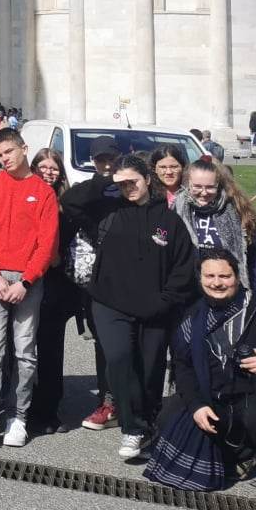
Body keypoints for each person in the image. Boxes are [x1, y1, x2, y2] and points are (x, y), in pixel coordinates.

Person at [153, 248, 256, 509]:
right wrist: (197, 405)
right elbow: (182, 366)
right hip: (216, 396)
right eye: (210, 276)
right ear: (200, 279)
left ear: (238, 277)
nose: (217, 282)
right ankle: (237, 454)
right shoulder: (193, 315)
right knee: (170, 415)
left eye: (225, 276)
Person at [62, 154, 197, 461]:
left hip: (154, 309)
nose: (128, 189)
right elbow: (71, 202)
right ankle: (132, 427)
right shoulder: (108, 213)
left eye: (133, 182)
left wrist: (165, 302)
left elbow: (182, 267)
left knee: (149, 370)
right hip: (110, 303)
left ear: (148, 179)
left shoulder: (169, 220)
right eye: (122, 185)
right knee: (120, 360)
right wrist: (107, 180)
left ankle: (149, 422)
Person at [0, 129, 60, 454]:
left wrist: (26, 281)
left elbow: (46, 243)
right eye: (0, 154)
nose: (5, 158)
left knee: (24, 352)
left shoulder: (43, 191)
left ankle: (18, 416)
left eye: (10, 151)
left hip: (27, 279)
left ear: (24, 149)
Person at [26, 147, 78, 434]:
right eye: (43, 167)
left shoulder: (66, 203)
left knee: (49, 349)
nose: (48, 172)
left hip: (55, 283)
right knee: (21, 347)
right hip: (27, 277)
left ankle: (48, 408)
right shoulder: (25, 195)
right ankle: (20, 403)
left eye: (54, 168)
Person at [179, 158, 256, 290]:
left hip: (229, 289)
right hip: (190, 289)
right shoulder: (178, 208)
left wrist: (253, 288)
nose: (203, 192)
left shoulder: (237, 210)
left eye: (210, 187)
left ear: (218, 185)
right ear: (188, 184)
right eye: (197, 186)